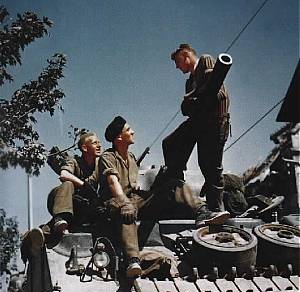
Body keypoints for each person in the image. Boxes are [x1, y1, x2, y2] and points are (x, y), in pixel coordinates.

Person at [99, 116, 230, 278]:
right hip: (115, 202)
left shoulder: (131, 157)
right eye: (128, 130)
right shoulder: (108, 157)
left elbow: (135, 185)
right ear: (119, 137)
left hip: (135, 199)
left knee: (173, 185)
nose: (132, 131)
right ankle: (133, 259)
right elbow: (112, 181)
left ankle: (202, 212)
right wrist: (124, 202)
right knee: (126, 212)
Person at [162, 43, 231, 212]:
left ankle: (216, 209)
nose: (177, 67)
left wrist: (192, 97)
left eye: (178, 62)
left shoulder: (205, 62)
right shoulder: (190, 82)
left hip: (216, 121)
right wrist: (192, 99)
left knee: (211, 165)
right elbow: (186, 110)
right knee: (170, 143)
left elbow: (216, 91)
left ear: (187, 55)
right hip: (199, 122)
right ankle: (176, 183)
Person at [21, 132, 102, 261]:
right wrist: (83, 185)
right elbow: (64, 174)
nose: (99, 145)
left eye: (99, 142)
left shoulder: (100, 164)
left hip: (80, 207)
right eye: (94, 143)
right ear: (85, 148)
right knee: (68, 184)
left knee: (59, 230)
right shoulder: (75, 161)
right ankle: (59, 218)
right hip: (62, 197)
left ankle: (32, 237)